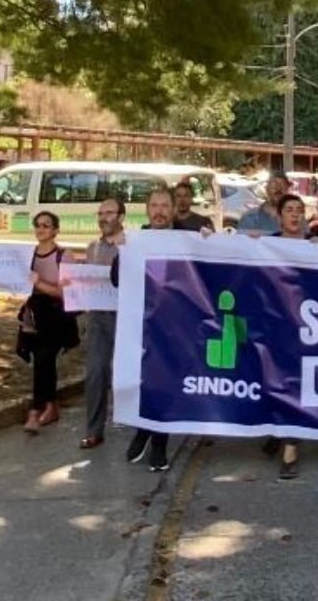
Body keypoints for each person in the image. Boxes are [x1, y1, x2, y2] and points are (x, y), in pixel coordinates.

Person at [113, 188, 182, 472]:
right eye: (154, 205)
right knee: (141, 382)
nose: (159, 211)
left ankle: (159, 446)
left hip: (174, 326)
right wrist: (121, 251)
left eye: (165, 205)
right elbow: (117, 279)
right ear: (147, 210)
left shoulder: (186, 240)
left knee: (163, 384)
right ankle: (142, 429)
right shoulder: (134, 240)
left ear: (174, 209)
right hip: (139, 324)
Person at [18, 211, 79, 434]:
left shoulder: (64, 255)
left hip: (57, 317)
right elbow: (16, 282)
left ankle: (35, 410)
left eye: (46, 225)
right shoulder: (28, 255)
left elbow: (66, 293)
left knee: (44, 357)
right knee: (42, 360)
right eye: (38, 225)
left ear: (55, 230)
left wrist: (39, 283)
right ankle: (51, 406)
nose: (41, 229)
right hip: (35, 316)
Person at [270, 193, 316, 479]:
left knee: (295, 383)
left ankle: (290, 446)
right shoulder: (264, 245)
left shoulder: (316, 247)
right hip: (272, 324)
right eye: (289, 210)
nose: (295, 215)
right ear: (279, 216)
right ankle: (275, 429)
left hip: (304, 328)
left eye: (300, 210)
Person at [80, 198, 126, 450]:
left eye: (109, 213)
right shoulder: (92, 248)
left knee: (130, 373)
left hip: (125, 316)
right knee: (96, 371)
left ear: (121, 217)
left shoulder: (130, 244)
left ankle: (145, 425)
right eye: (100, 213)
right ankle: (94, 429)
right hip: (98, 317)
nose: (103, 217)